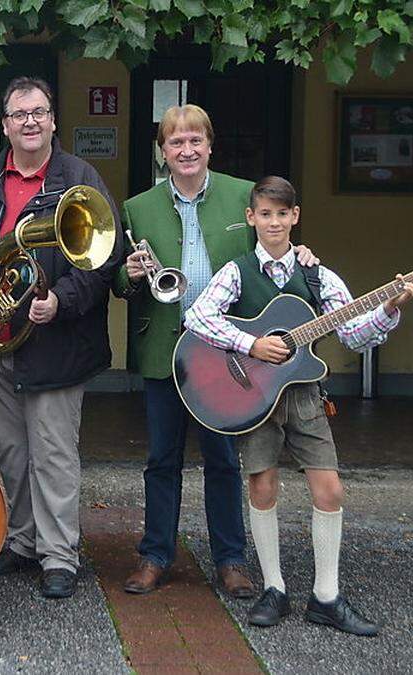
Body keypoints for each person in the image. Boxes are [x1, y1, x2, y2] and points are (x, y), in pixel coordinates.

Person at [184, 176, 413, 635]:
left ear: (295, 216)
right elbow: (197, 317)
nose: (274, 222)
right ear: (251, 218)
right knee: (262, 487)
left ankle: (326, 596)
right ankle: (274, 588)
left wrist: (389, 307)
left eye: (282, 214)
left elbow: (352, 333)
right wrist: (252, 344)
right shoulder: (236, 272)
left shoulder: (318, 275)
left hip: (306, 397)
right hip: (255, 395)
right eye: (265, 214)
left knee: (329, 490)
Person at [115, 104, 317, 599]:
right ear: (162, 152)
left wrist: (303, 256)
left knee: (223, 460)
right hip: (166, 349)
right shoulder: (138, 207)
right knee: (161, 459)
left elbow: (272, 253)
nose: (186, 150)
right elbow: (119, 282)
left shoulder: (241, 196)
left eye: (194, 141)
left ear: (210, 145)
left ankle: (230, 559)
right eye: (175, 143)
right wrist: (131, 274)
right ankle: (155, 554)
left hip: (228, 351)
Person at [0, 76, 123, 600]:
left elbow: (103, 257)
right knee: (12, 449)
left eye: (39, 112)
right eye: (19, 114)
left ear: (52, 121)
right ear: (5, 124)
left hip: (55, 342)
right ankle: (22, 541)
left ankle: (59, 555)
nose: (30, 121)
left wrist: (60, 301)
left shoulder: (78, 178)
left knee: (53, 453)